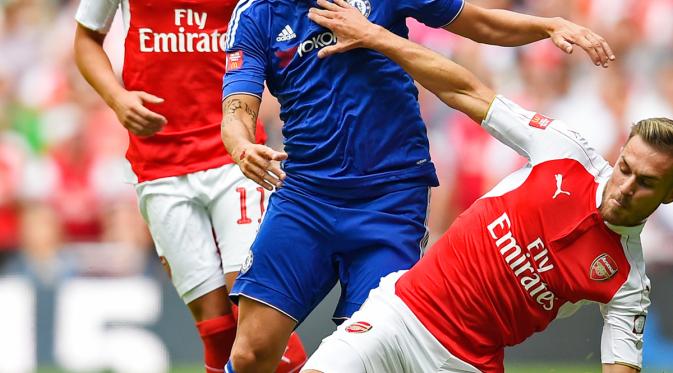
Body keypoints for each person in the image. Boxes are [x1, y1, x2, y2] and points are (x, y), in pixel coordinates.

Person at [220, 0, 618, 371]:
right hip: (307, 197)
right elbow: (238, 107)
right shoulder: (257, 14)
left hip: (390, 200)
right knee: (252, 352)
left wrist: (548, 24)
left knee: (367, 351)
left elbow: (474, 21)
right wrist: (242, 147)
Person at [72, 1, 307, 372]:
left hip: (235, 156)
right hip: (159, 167)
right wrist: (116, 99)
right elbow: (86, 37)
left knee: (254, 311)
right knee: (214, 326)